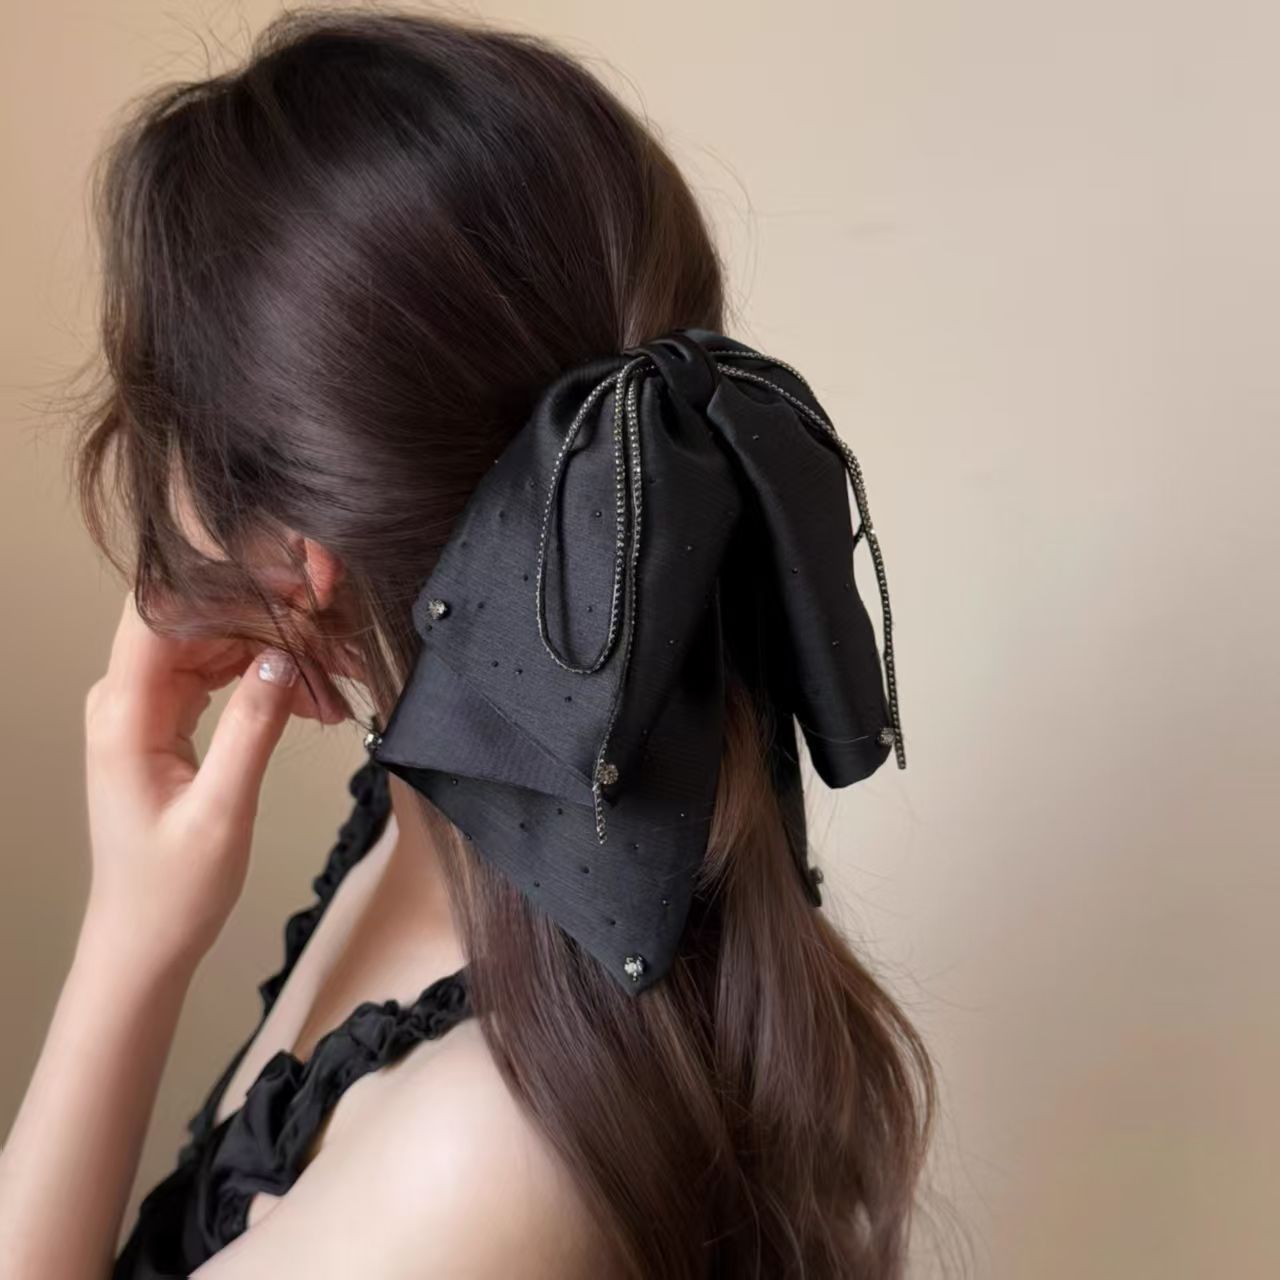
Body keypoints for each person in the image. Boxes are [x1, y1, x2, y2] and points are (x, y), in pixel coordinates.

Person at [0, 9, 937, 1278]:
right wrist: (139, 928)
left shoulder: (464, 1174)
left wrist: (122, 949)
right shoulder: (443, 806)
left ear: (301, 557)